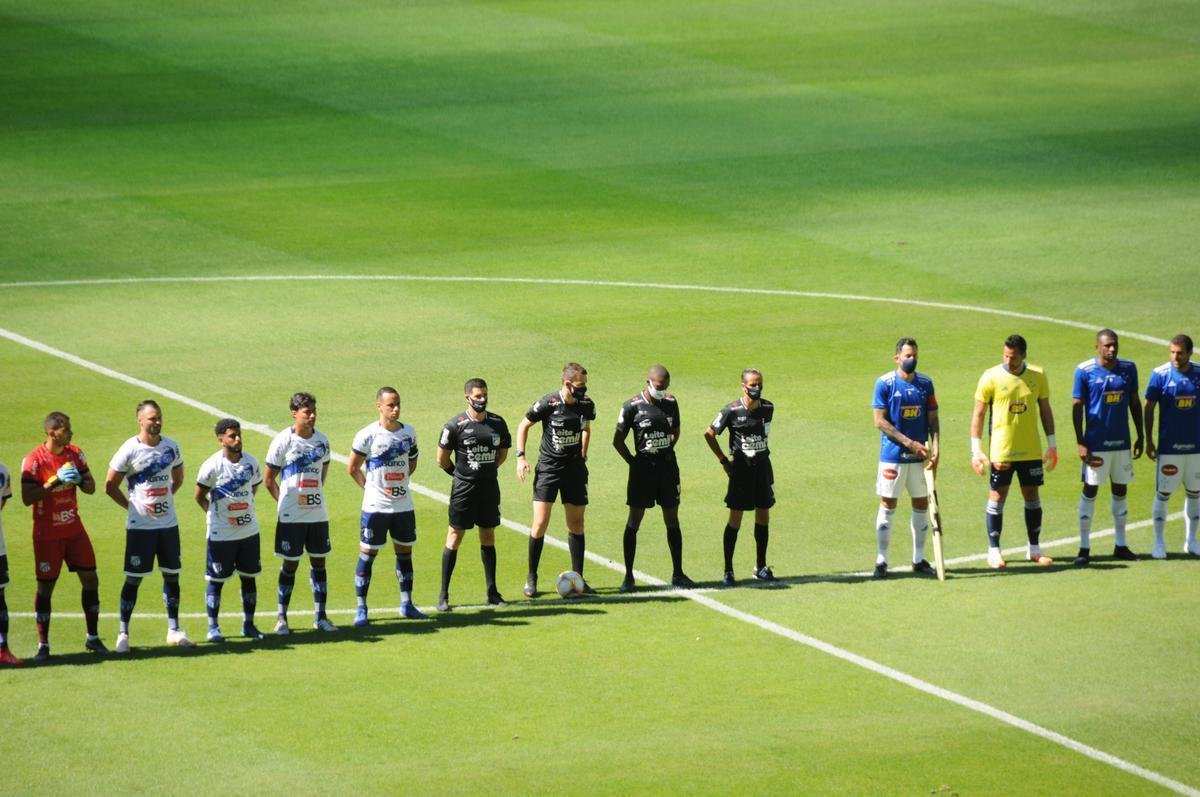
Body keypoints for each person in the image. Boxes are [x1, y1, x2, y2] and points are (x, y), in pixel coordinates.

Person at [18, 412, 107, 662]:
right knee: (45, 586)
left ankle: (92, 637)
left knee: (91, 579)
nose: (70, 433)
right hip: (47, 534)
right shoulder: (34, 460)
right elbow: (27, 498)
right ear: (51, 432)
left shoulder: (75, 454)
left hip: (74, 530)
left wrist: (79, 480)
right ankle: (43, 644)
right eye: (65, 429)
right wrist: (53, 482)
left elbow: (90, 488)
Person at [105, 400, 191, 652]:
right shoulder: (129, 450)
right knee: (133, 580)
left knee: (172, 575)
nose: (157, 422)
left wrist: (165, 499)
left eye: (159, 417)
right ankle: (123, 633)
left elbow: (179, 477)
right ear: (140, 420)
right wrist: (132, 506)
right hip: (140, 527)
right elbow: (109, 485)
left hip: (168, 525)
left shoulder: (171, 447)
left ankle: (174, 629)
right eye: (152, 418)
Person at [970, 335, 1059, 569]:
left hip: (1031, 450)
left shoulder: (1038, 375)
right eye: (1006, 356)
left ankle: (1034, 548)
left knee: (1032, 496)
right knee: (997, 498)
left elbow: (1045, 410)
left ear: (1024, 355)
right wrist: (976, 450)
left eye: (1014, 357)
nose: (1009, 361)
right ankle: (994, 551)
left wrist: (1052, 444)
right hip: (1002, 451)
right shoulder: (990, 377)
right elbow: (978, 414)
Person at [515, 363, 596, 597]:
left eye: (585, 386)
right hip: (549, 469)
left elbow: (586, 428)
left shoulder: (586, 405)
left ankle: (578, 579)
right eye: (579, 387)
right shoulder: (548, 403)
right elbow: (524, 425)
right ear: (567, 384)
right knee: (540, 523)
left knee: (577, 524)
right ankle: (532, 577)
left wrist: (583, 455)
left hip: (574, 471)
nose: (583, 391)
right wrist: (521, 457)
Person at [612, 365, 695, 592]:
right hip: (643, 470)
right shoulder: (631, 406)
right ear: (648, 381)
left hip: (667, 469)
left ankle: (678, 573)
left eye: (665, 386)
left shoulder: (671, 402)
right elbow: (617, 440)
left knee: (672, 519)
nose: (663, 390)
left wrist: (667, 448)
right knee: (634, 520)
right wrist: (633, 462)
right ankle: (628, 577)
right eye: (659, 386)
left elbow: (676, 430)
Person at [347, 387, 425, 626]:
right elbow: (352, 468)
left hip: (403, 505)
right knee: (368, 555)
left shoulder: (408, 433)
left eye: (398, 404)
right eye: (391, 405)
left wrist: (399, 482)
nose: (396, 409)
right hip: (375, 507)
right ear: (379, 406)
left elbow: (411, 462)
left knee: (405, 553)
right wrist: (370, 489)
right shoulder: (367, 435)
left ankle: (406, 603)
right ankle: (361, 608)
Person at [436, 378, 511, 610]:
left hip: (489, 488)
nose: (482, 399)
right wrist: (460, 476)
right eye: (478, 396)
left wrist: (485, 472)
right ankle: (443, 595)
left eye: (485, 395)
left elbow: (502, 454)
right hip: (464, 490)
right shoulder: (454, 426)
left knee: (488, 536)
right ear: (467, 398)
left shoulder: (498, 423)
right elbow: (442, 459)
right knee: (455, 537)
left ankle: (492, 592)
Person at [264, 392, 336, 634]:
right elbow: (268, 479)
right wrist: (283, 503)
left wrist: (312, 494)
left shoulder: (322, 441)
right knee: (290, 564)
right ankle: (282, 618)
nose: (312, 415)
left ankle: (321, 617)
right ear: (295, 413)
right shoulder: (283, 441)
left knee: (319, 563)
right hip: (291, 516)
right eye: (307, 412)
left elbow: (322, 472)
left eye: (314, 411)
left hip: (316, 514)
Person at [1071, 329, 1144, 565]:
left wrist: (1140, 435)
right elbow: (1077, 407)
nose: (1112, 349)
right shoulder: (1084, 371)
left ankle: (1121, 544)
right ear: (1097, 347)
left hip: (1121, 443)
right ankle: (1084, 549)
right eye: (1107, 346)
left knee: (1120, 492)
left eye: (1115, 345)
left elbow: (1134, 402)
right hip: (1096, 445)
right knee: (1090, 491)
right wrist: (1080, 441)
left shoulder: (1129, 368)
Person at [871, 339, 940, 578]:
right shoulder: (885, 383)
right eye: (908, 355)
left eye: (915, 355)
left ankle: (918, 559)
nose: (912, 359)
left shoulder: (925, 384)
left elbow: (933, 419)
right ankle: (881, 560)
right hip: (893, 457)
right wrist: (910, 443)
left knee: (921, 505)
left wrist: (937, 449)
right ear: (897, 358)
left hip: (919, 459)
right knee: (888, 504)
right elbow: (879, 421)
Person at [194, 419, 266, 642]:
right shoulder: (211, 466)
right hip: (221, 533)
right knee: (216, 580)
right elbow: (199, 495)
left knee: (249, 577)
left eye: (239, 435)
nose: (238, 439)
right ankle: (213, 627)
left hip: (248, 531)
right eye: (232, 436)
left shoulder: (251, 463)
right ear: (221, 440)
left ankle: (249, 625)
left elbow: (253, 488)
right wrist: (215, 514)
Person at [704, 368, 776, 585]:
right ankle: (728, 570)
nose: (757, 388)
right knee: (736, 518)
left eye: (759, 383)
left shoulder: (768, 408)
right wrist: (724, 461)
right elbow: (709, 433)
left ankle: (760, 566)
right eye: (752, 384)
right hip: (741, 471)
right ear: (743, 386)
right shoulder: (731, 411)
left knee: (763, 515)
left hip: (762, 467)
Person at [1143, 334, 1200, 559]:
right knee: (1163, 493)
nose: (1175, 357)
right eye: (1172, 352)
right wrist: (1148, 439)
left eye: (1180, 353)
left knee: (1195, 494)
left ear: (1189, 353)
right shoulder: (1160, 374)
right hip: (1169, 449)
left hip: (1196, 448)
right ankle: (1159, 542)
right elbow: (1149, 407)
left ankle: (1192, 541)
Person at [1, 461, 21, 666]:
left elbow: (2, 503)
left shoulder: (3, 471)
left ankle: (2, 649)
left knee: (0, 596)